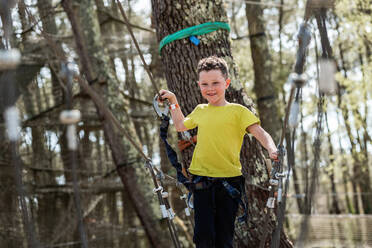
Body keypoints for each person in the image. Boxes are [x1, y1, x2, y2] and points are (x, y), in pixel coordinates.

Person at [158, 56, 278, 248]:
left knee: (224, 237)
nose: (210, 88)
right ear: (198, 85)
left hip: (229, 182)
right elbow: (180, 125)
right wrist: (173, 100)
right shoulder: (200, 110)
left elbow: (260, 133)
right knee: (203, 236)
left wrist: (272, 149)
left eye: (215, 83)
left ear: (227, 83)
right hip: (201, 180)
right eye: (205, 84)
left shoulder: (238, 111)